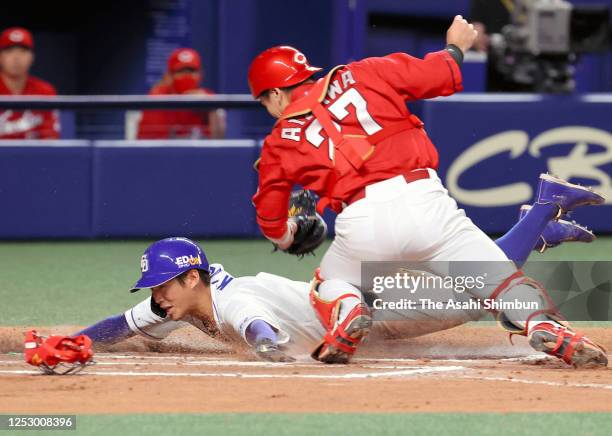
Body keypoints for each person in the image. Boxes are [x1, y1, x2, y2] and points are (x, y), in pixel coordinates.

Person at [246, 15, 607, 367]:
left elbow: (270, 219)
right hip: (426, 204)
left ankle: (347, 309)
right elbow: (436, 76)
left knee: (329, 282)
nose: (269, 108)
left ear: (276, 93)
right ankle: (544, 326)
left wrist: (288, 234)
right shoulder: (362, 72)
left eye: (264, 101)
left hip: (361, 223)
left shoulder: (279, 141)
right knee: (501, 280)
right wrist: (456, 46)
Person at [73, 197, 598, 363]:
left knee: (477, 291)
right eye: (155, 288)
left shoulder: (232, 297)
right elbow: (121, 324)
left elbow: (255, 326)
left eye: (164, 284)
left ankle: (544, 208)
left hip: (374, 307)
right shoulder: (181, 303)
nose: (157, 295)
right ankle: (541, 226)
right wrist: (72, 343)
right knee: (478, 281)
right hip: (356, 303)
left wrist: (270, 351)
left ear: (192, 278)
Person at [137, 48, 226, 139]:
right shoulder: (158, 97)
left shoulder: (208, 97)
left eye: (191, 71)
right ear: (169, 75)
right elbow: (151, 144)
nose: (187, 76)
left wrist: (211, 110)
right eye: (181, 71)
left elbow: (219, 141)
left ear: (200, 74)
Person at [0, 27, 59, 139]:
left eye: (22, 51)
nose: (16, 58)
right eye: (9, 51)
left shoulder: (44, 91)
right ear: (0, 57)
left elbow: (51, 139)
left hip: (34, 156)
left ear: (31, 57)